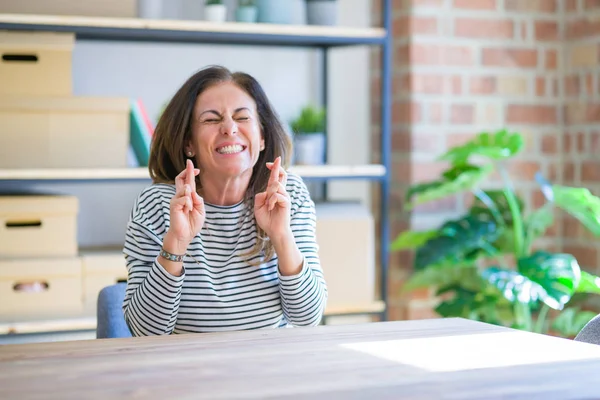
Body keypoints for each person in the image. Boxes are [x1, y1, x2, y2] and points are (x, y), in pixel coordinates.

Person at [122, 65, 328, 335]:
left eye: (242, 118)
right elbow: (145, 331)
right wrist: (177, 241)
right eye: (211, 119)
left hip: (268, 368)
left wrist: (281, 235)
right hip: (186, 371)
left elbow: (308, 317)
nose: (229, 128)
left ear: (262, 137)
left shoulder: (289, 195)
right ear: (189, 144)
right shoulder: (158, 205)